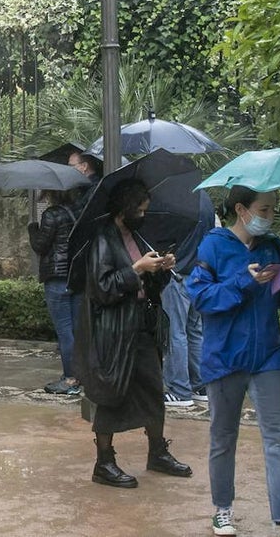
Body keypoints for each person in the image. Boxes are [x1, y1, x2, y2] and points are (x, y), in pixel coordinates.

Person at [187, 186, 280, 537]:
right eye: (264, 209)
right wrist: (243, 281)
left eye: (272, 210)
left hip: (268, 355)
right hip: (224, 358)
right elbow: (202, 297)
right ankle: (222, 510)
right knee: (223, 436)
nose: (269, 216)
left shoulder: (272, 247)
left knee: (278, 436)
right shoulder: (213, 246)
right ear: (241, 209)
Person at [73, 179, 192, 489]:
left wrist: (160, 269)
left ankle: (157, 452)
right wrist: (137, 268)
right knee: (111, 395)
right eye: (139, 210)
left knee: (153, 389)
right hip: (113, 332)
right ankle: (104, 462)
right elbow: (102, 289)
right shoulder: (103, 240)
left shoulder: (137, 237)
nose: (143, 215)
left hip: (141, 326)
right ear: (124, 208)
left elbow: (147, 285)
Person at [161, 191, 216, 408]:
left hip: (177, 274)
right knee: (196, 331)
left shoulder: (174, 199)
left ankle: (179, 390)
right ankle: (200, 386)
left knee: (175, 332)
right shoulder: (205, 198)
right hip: (200, 273)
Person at [28, 189, 81, 395]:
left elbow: (40, 245)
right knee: (76, 331)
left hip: (57, 278)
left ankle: (70, 379)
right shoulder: (78, 211)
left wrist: (33, 228)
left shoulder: (51, 214)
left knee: (65, 332)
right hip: (75, 276)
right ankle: (79, 375)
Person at [68, 150, 103, 217]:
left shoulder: (95, 190)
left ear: (84, 166)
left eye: (71, 166)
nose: (69, 169)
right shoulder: (82, 187)